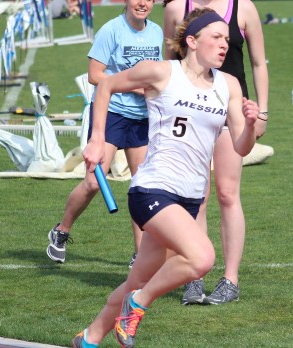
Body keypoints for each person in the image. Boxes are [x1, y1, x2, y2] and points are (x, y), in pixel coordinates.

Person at [70, 9, 258, 347]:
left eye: (227, 40)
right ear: (192, 40)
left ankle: (89, 337)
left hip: (189, 198)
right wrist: (97, 139)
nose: (224, 45)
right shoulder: (161, 72)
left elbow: (242, 146)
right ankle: (139, 303)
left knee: (135, 280)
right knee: (201, 259)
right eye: (216, 37)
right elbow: (106, 85)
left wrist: (252, 124)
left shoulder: (228, 85)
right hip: (152, 189)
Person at [163, 0, 268, 305]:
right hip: (191, 113)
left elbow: (259, 63)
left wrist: (262, 112)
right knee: (198, 195)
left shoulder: (243, 7)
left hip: (230, 111)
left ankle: (230, 281)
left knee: (227, 193)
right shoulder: (175, 9)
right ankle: (193, 277)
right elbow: (169, 63)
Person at [46, 0, 163, 267]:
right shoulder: (111, 30)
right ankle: (61, 230)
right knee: (93, 182)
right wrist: (133, 87)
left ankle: (140, 255)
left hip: (143, 119)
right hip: (111, 115)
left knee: (142, 187)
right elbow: (94, 75)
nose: (142, 3)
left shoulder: (157, 32)